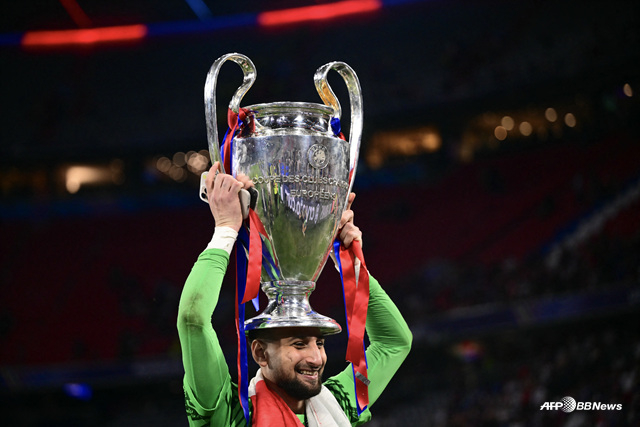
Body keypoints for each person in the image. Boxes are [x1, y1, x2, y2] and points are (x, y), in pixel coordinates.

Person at [177, 162, 412, 426]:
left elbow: (394, 343)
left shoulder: (338, 402)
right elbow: (193, 319)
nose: (316, 358)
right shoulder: (232, 414)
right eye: (299, 344)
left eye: (319, 343)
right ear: (260, 353)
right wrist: (225, 230)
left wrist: (352, 269)